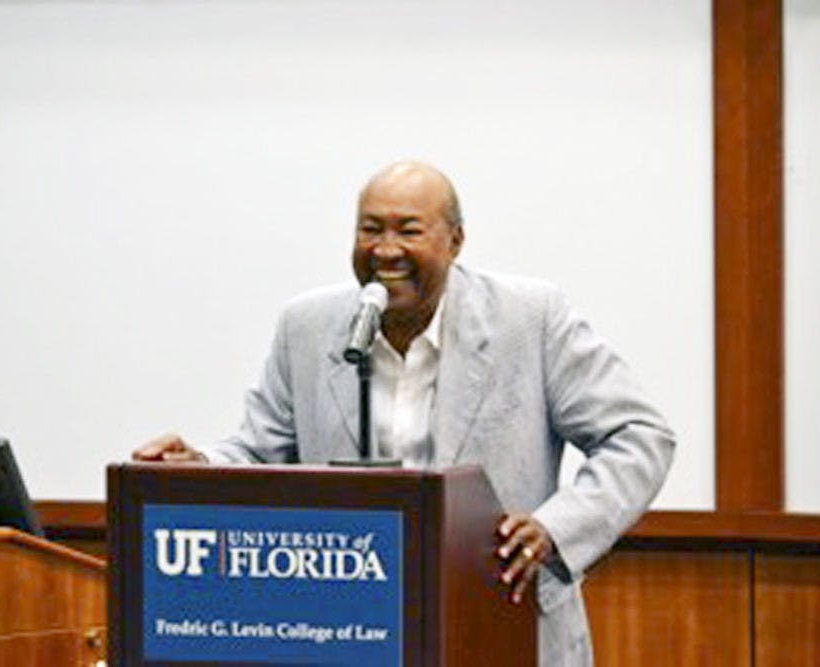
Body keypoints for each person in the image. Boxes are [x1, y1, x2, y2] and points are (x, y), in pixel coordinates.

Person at [134, 161, 675, 666]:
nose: (385, 250)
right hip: (349, 630)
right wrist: (198, 465)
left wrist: (553, 530)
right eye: (370, 230)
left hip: (502, 622)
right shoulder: (308, 325)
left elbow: (639, 435)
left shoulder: (529, 319)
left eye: (409, 231)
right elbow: (259, 450)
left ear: (455, 241)